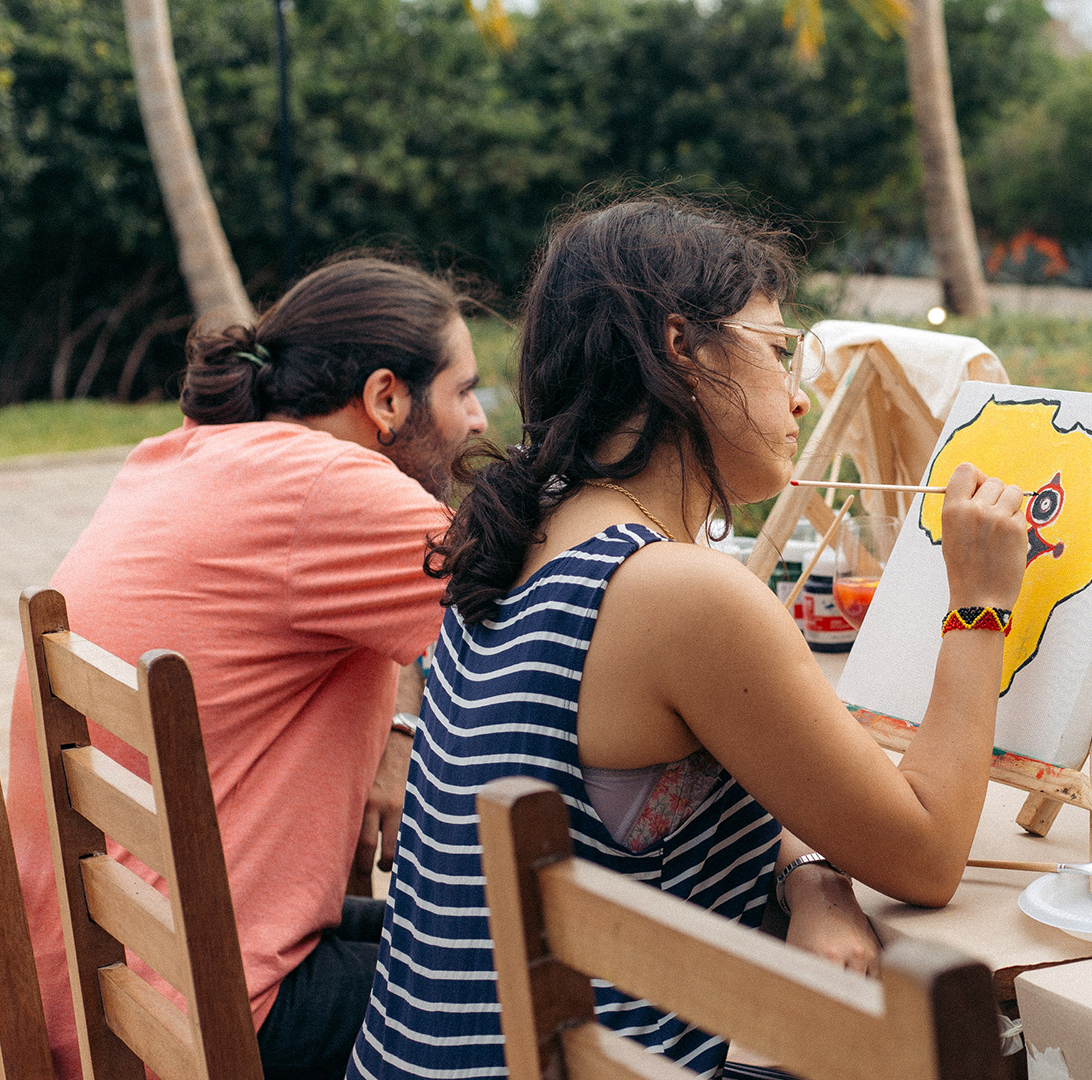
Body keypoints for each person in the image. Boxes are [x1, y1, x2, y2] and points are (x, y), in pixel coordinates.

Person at [349, 198, 1029, 1080]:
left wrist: (813, 877)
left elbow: (677, 794)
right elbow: (929, 855)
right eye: (778, 350)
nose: (795, 395)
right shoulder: (676, 593)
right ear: (684, 348)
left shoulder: (523, 536)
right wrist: (979, 601)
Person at [7, 256, 488, 1080]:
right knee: (569, 976)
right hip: (207, 1011)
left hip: (97, 993)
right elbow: (547, 629)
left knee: (468, 929)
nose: (479, 421)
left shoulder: (182, 457)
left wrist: (395, 733)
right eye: (464, 391)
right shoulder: (339, 488)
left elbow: (417, 608)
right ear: (386, 400)